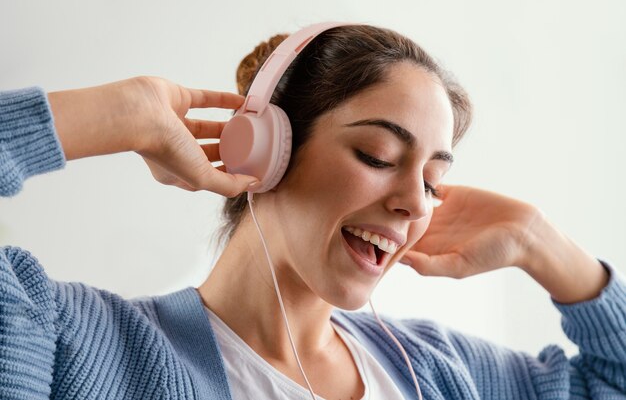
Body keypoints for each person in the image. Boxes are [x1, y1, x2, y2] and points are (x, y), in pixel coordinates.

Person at [0, 24, 624, 400]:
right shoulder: (72, 342)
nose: (414, 202)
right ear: (266, 150)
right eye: (378, 154)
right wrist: (118, 114)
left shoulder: (433, 370)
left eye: (434, 180)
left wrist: (539, 241)